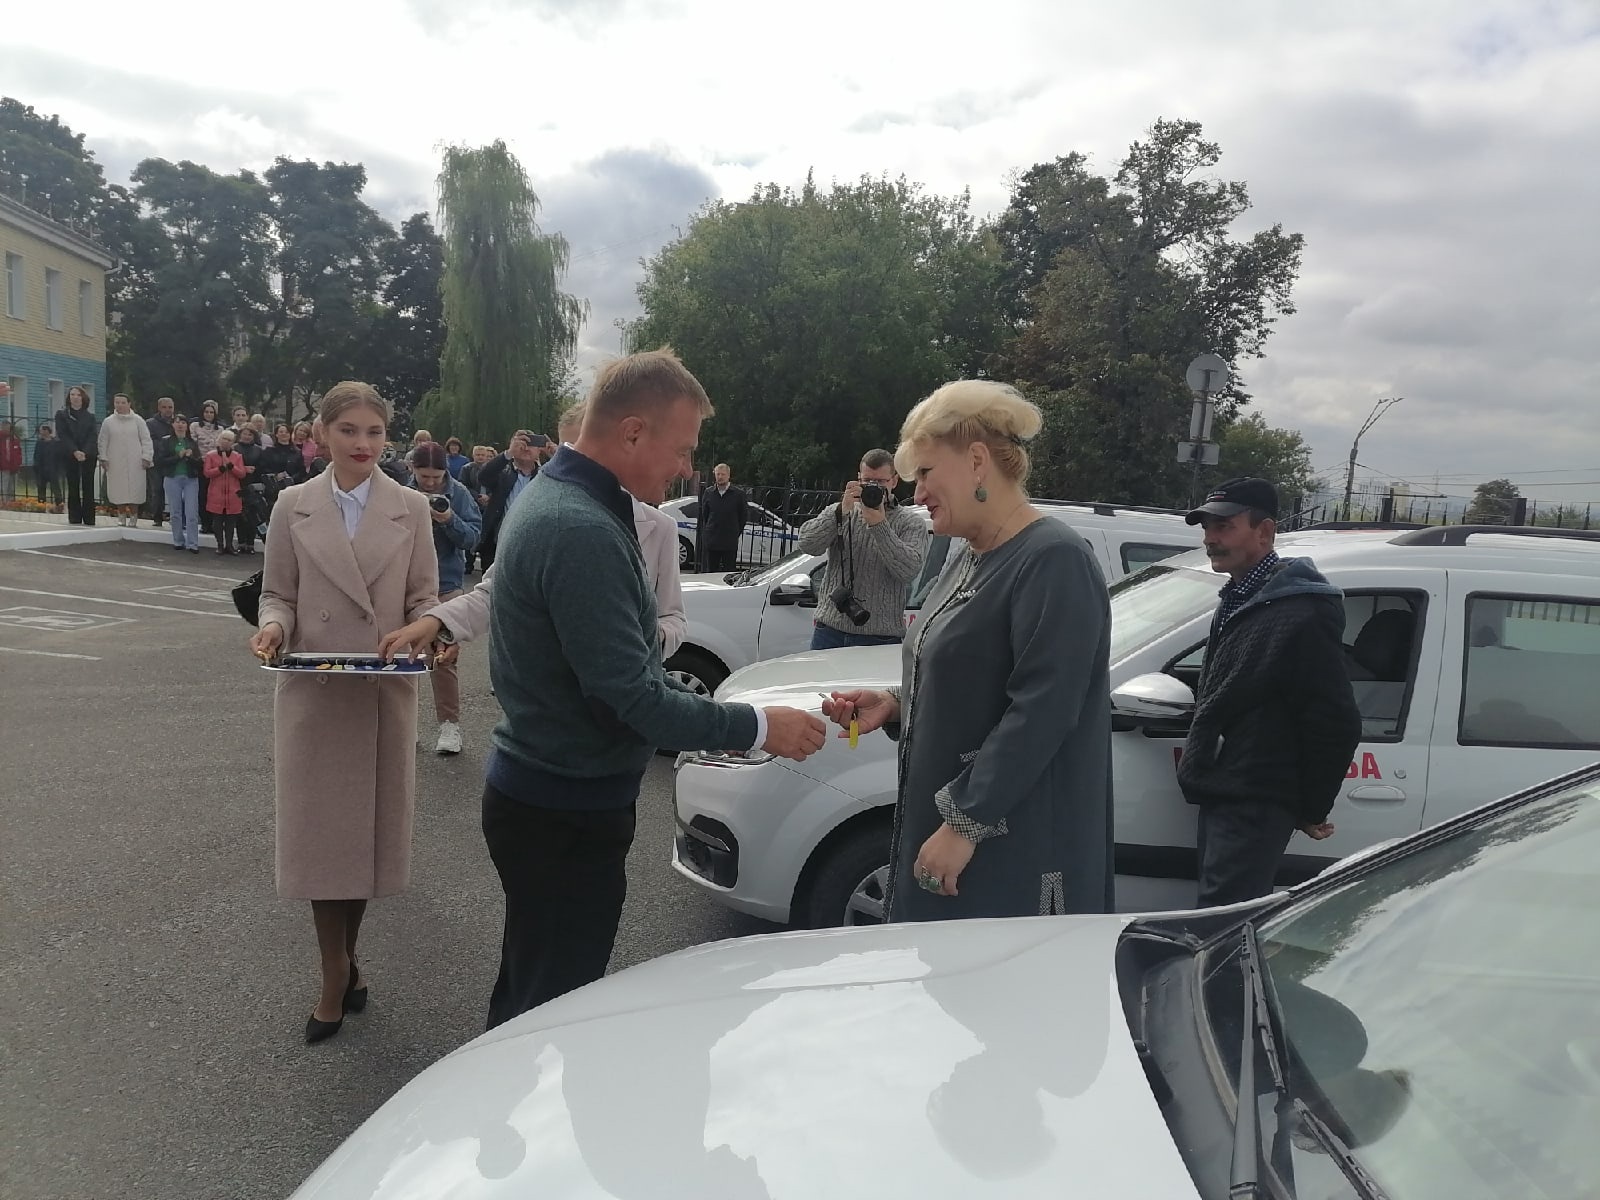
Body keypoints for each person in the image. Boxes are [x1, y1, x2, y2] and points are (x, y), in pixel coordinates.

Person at [461, 350, 825, 1029]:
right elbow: (630, 700)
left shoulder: (560, 500)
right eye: (681, 449)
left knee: (532, 981)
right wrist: (757, 727)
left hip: (547, 797)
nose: (687, 468)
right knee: (550, 1011)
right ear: (632, 432)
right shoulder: (579, 527)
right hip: (564, 811)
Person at [821, 380, 1113, 921]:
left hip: (1011, 862)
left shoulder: (1054, 559)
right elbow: (976, 680)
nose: (917, 494)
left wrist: (963, 822)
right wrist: (897, 704)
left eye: (926, 473)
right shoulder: (970, 555)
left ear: (977, 462)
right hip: (956, 849)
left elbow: (1044, 710)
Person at [249, 380, 439, 1045]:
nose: (363, 443)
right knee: (322, 839)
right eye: (349, 430)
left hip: (380, 691)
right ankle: (334, 970)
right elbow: (277, 593)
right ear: (321, 434)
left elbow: (424, 600)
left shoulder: (411, 508)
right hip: (315, 693)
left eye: (375, 432)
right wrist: (273, 628)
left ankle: (347, 961)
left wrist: (428, 634)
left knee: (361, 842)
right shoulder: (292, 505)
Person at [380, 398, 690, 673]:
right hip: (549, 695)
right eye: (567, 454)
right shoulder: (540, 518)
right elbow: (495, 592)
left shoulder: (658, 528)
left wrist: (642, 641)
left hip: (625, 690)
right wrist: (437, 621)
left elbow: (673, 617)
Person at [1177, 478, 1362, 908]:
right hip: (1227, 792)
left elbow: (1335, 720)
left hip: (1255, 798)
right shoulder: (1243, 595)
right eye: (1207, 528)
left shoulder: (1301, 611)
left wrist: (1312, 807)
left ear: (1264, 532)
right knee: (1218, 915)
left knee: (1224, 919)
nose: (1210, 539)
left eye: (1224, 527)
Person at [798, 448, 929, 649]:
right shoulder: (842, 512)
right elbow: (807, 544)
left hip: (880, 636)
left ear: (894, 481)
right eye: (867, 481)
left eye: (880, 482)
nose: (873, 487)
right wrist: (839, 513)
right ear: (858, 479)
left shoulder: (910, 522)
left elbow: (908, 571)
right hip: (830, 631)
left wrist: (879, 525)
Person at [405, 440, 482, 755]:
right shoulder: (400, 492)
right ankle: (405, 723)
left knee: (444, 656)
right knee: (402, 657)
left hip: (446, 582)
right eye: (424, 476)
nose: (430, 483)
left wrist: (448, 518)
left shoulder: (459, 493)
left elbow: (473, 538)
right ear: (413, 469)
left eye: (436, 477)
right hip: (405, 584)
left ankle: (449, 726)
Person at [477, 430, 553, 571]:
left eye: (531, 443)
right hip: (498, 540)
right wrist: (508, 453)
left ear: (539, 450)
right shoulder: (503, 474)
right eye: (522, 443)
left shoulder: (546, 477)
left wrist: (556, 456)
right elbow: (483, 476)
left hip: (532, 543)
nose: (526, 448)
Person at [97, 394, 154, 527]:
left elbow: (146, 439)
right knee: (118, 489)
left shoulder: (138, 420)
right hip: (115, 461)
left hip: (136, 462)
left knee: (135, 489)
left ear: (129, 404)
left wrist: (146, 457)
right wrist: (103, 458)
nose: (120, 405)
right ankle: (121, 515)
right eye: (117, 402)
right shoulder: (108, 422)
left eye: (123, 402)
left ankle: (134, 516)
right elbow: (102, 441)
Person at [154, 414, 202, 553]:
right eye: (177, 422)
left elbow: (199, 463)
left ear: (187, 426)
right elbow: (160, 461)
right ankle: (178, 540)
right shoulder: (166, 441)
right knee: (175, 511)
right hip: (172, 478)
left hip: (190, 479)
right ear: (173, 425)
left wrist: (190, 457)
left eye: (183, 422)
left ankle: (193, 543)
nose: (180, 425)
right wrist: (178, 456)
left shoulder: (192, 442)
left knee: (191, 512)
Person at [57, 385, 99, 525]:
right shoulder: (62, 415)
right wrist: (74, 451)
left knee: (88, 485)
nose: (75, 397)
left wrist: (85, 452)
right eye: (72, 394)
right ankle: (74, 517)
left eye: (78, 395)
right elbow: (63, 434)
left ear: (83, 398)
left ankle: (89, 518)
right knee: (73, 485)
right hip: (70, 454)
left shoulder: (90, 416)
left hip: (88, 455)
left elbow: (92, 436)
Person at [203, 431, 248, 554]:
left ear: (233, 443)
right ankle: (220, 545)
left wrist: (231, 466)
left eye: (229, 440)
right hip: (216, 493)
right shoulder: (211, 455)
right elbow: (207, 473)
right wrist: (220, 469)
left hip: (232, 494)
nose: (226, 442)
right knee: (217, 522)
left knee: (230, 522)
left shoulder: (237, 456)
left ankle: (229, 545)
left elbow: (242, 474)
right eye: (224, 438)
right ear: (219, 439)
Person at [697, 462, 746, 573]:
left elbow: (742, 517)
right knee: (710, 572)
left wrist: (735, 532)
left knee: (729, 572)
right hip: (712, 541)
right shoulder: (709, 493)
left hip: (729, 542)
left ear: (728, 475)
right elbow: (705, 515)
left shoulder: (738, 494)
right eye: (718, 474)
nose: (720, 477)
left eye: (723, 474)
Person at [192, 401, 227, 536]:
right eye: (206, 412)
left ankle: (215, 524)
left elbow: (221, 446)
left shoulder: (221, 429)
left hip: (216, 466)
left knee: (215, 495)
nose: (209, 414)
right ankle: (205, 523)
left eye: (211, 412)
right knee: (202, 495)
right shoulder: (195, 426)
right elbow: (193, 444)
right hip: (201, 464)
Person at [232, 425, 265, 553]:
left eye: (250, 434)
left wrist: (256, 469)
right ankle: (241, 543)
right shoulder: (234, 448)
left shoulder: (259, 450)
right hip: (238, 483)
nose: (247, 437)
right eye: (245, 434)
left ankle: (250, 544)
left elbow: (262, 467)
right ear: (240, 435)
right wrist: (243, 469)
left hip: (253, 484)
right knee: (240, 515)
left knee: (253, 514)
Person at [144, 396, 175, 526]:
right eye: (164, 407)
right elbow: (150, 442)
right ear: (159, 408)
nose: (168, 410)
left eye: (170, 407)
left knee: (175, 491)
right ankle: (157, 517)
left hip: (173, 461)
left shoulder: (177, 422)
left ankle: (175, 517)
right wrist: (167, 445)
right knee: (157, 490)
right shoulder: (150, 423)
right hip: (157, 461)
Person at [33, 422, 65, 512]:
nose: (42, 432)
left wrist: (59, 468)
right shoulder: (39, 443)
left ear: (48, 431)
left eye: (44, 430)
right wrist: (36, 466)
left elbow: (59, 456)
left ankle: (59, 505)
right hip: (41, 469)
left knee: (56, 488)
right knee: (41, 488)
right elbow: (36, 455)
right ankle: (41, 505)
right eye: (41, 430)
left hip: (53, 469)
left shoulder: (55, 443)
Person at [0, 419, 20, 502]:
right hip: (3, 466)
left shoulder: (14, 438)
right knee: (3, 486)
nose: (7, 429)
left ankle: (12, 502)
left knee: (12, 487)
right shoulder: (1, 438)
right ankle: (3, 502)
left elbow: (18, 452)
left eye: (8, 428)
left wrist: (18, 463)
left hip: (14, 466)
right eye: (5, 427)